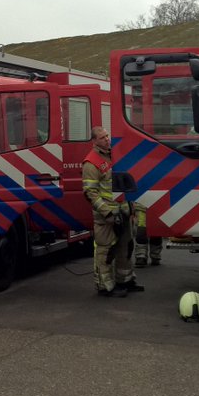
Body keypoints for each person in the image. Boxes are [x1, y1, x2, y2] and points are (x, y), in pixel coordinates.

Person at [82, 126, 143, 297]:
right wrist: (107, 213)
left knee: (126, 247)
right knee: (105, 251)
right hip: (106, 216)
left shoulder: (114, 156)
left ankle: (126, 281)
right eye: (102, 138)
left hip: (122, 212)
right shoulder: (91, 162)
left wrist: (130, 208)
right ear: (94, 141)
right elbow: (90, 193)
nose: (107, 140)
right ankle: (105, 287)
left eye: (107, 136)